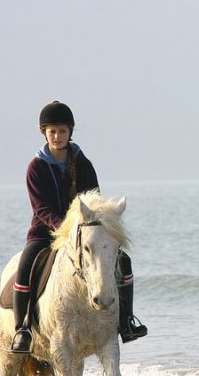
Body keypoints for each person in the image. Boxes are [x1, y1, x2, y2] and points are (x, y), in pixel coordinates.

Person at [10, 101, 147, 354]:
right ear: (44, 133)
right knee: (25, 267)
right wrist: (65, 228)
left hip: (83, 232)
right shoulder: (36, 168)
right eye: (52, 131)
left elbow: (93, 201)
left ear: (69, 132)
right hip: (45, 233)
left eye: (62, 131)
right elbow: (41, 209)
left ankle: (126, 321)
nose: (57, 136)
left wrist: (87, 226)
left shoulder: (84, 164)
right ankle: (23, 329)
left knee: (123, 261)